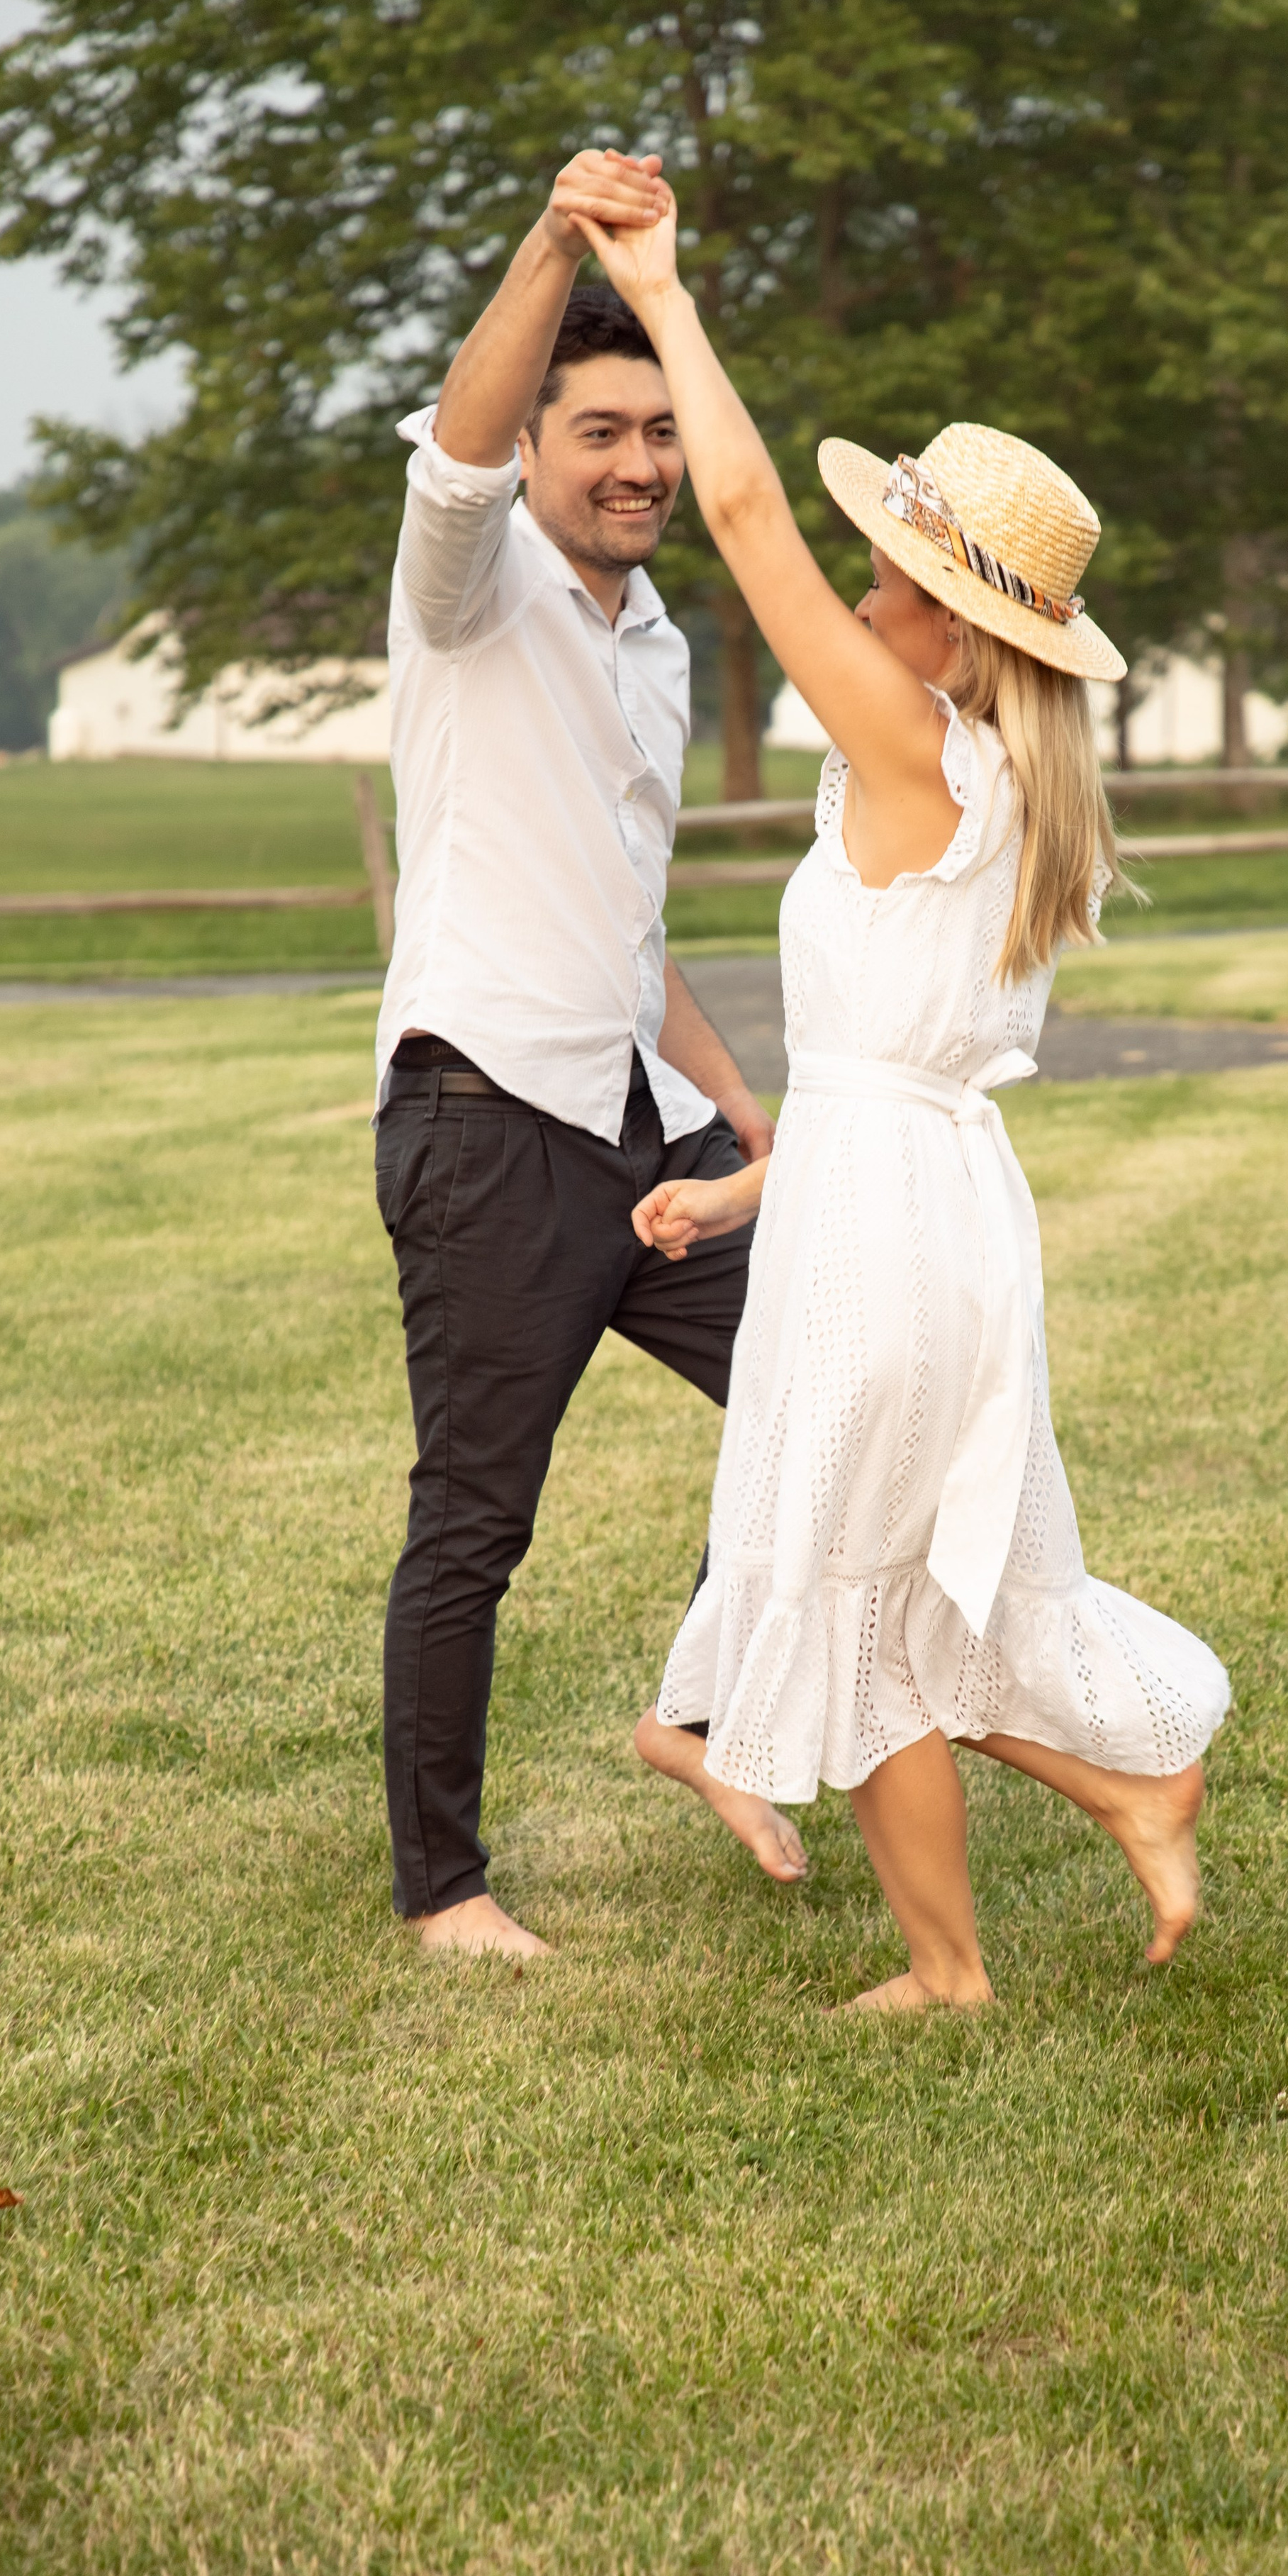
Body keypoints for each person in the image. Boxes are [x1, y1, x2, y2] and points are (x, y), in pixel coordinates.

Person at [578, 172, 1231, 2009]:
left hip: (893, 1232)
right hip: (910, 1207)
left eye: (894, 579)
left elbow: (739, 509)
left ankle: (962, 1958)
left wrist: (667, 292)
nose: (863, 596)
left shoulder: (915, 753)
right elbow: (883, 1085)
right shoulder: (1006, 790)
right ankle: (1127, 1803)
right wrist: (734, 1190)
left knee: (851, 1596)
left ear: (957, 627)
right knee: (895, 1597)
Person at [374, 150, 808, 1963]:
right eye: (598, 430)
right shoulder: (466, 592)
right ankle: (443, 1889)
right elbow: (455, 447)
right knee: (477, 1517)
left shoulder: (659, 646)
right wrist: (559, 240)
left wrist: (740, 1111)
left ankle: (695, 1714)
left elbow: (630, 929)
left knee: (824, 1376)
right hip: (484, 1124)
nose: (636, 462)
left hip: (643, 1123)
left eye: (656, 430)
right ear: (537, 452)